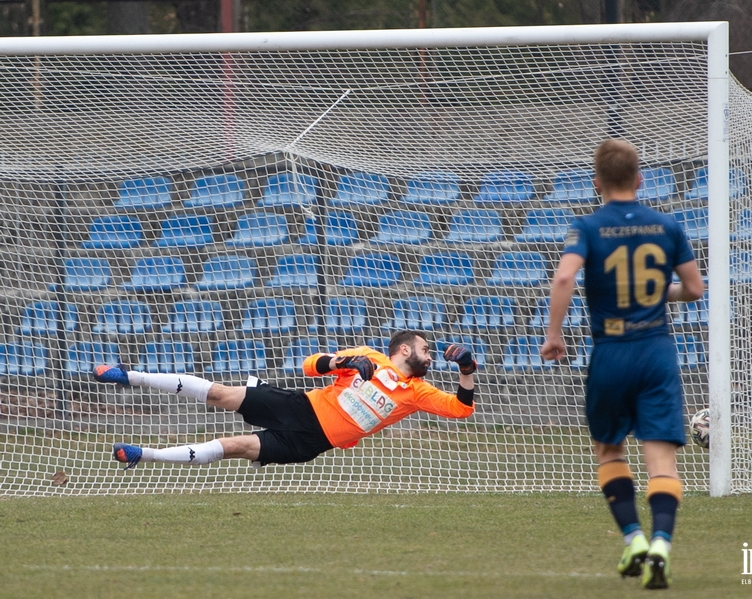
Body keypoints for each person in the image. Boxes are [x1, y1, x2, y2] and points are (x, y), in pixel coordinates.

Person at [540, 139, 705, 590]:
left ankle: (632, 537)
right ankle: (661, 545)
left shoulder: (587, 226)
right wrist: (656, 296)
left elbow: (564, 277)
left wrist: (554, 335)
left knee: (610, 450)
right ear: (640, 179)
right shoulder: (668, 225)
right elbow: (693, 289)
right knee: (662, 463)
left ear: (597, 183)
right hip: (656, 350)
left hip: (610, 351)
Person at [93, 330, 477, 470]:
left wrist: (466, 369)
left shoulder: (417, 394)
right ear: (405, 349)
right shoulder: (371, 359)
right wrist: (342, 361)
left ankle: (144, 455)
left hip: (309, 442)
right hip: (299, 405)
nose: (431, 356)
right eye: (426, 350)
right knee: (219, 394)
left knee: (236, 446)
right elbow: (310, 365)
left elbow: (461, 409)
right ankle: (129, 375)